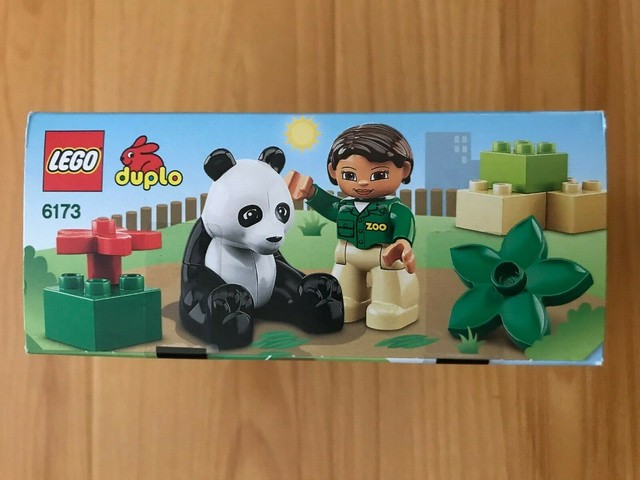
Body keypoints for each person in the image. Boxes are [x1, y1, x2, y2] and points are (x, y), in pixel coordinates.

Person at [285, 123, 419, 330]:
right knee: (344, 291)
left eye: (378, 175)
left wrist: (402, 241)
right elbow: (329, 206)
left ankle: (391, 304)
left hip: (384, 255)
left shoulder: (393, 208)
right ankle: (349, 299)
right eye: (350, 175)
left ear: (405, 170)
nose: (363, 183)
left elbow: (404, 221)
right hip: (348, 254)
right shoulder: (344, 206)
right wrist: (310, 192)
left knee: (388, 285)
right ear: (333, 171)